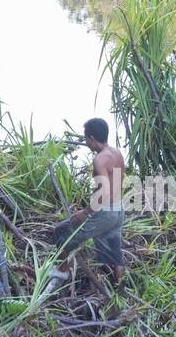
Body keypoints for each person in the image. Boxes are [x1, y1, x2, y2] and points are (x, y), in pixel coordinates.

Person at [51, 118, 126, 285]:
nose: (86, 142)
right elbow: (119, 179)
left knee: (61, 233)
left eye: (86, 139)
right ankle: (119, 291)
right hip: (119, 209)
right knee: (115, 251)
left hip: (106, 212)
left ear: (92, 138)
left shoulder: (99, 159)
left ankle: (63, 271)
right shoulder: (117, 153)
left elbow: (104, 191)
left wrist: (86, 212)